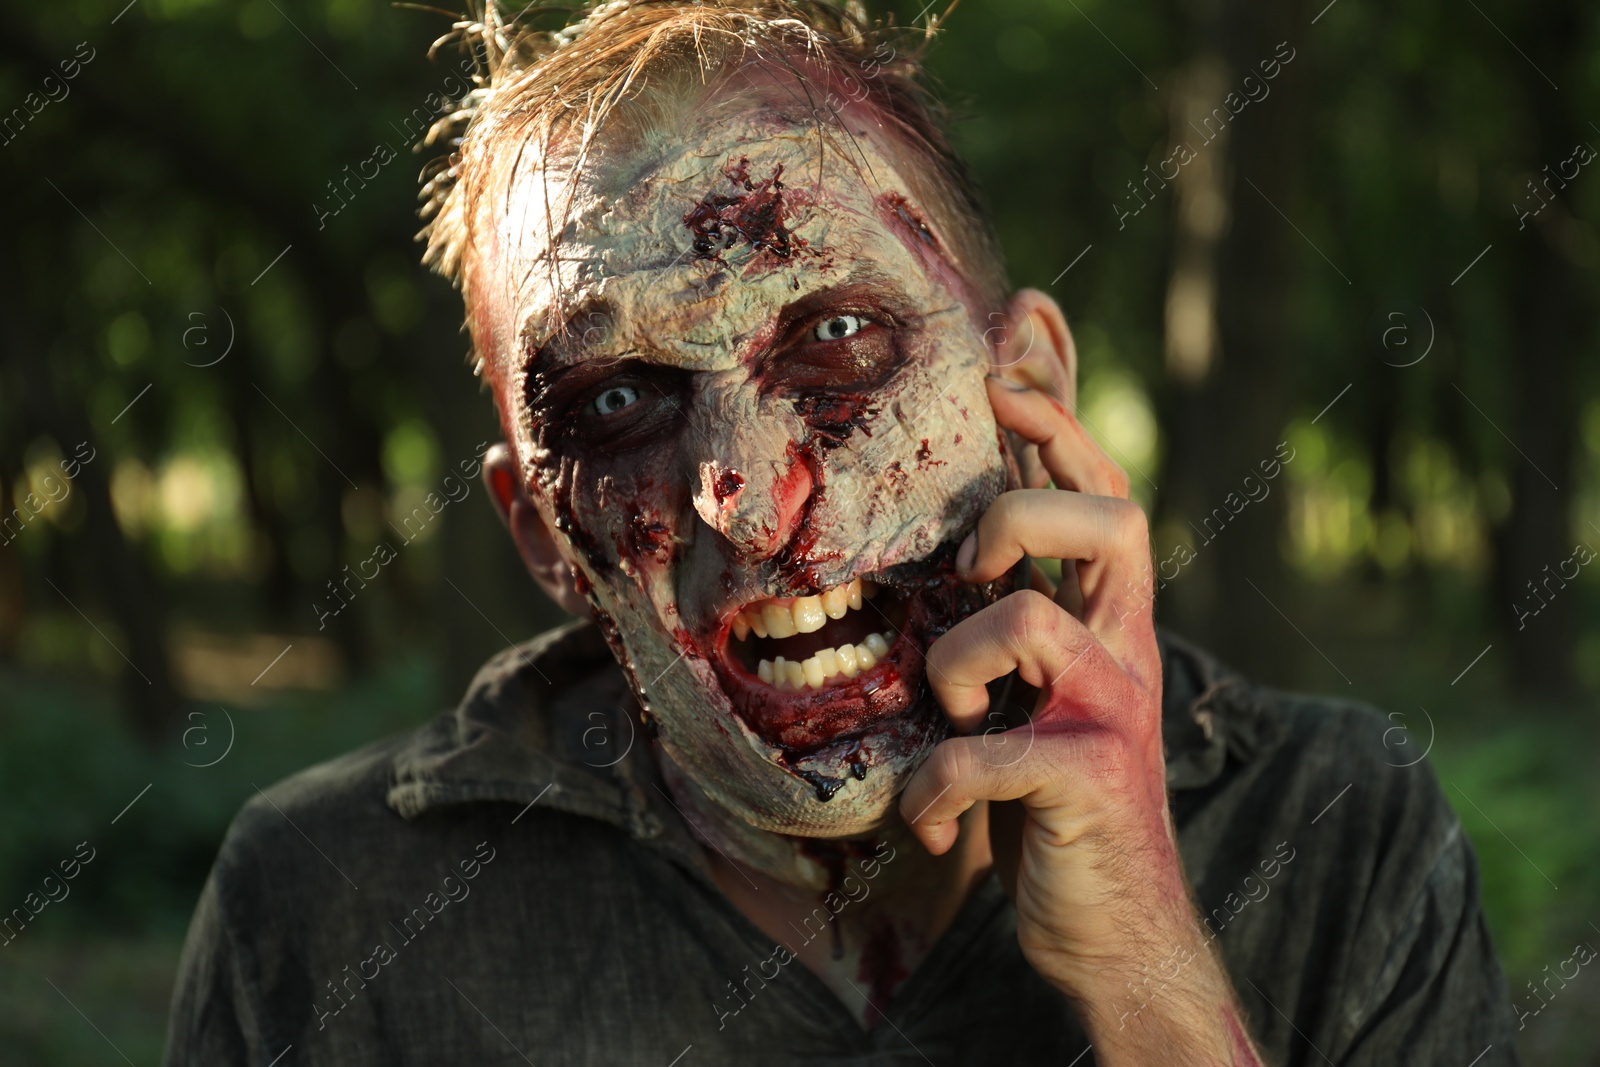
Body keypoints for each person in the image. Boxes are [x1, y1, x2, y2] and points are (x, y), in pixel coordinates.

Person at [164, 2, 1520, 1063]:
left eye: (837, 337)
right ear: (542, 538)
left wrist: (1151, 978)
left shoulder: (1342, 837)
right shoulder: (331, 912)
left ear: (1029, 392)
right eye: (620, 400)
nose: (748, 504)